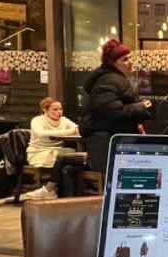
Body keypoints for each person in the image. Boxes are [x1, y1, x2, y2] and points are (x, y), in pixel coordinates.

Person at [79, 40, 152, 175]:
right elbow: (112, 111)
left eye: (130, 58)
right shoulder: (110, 80)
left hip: (111, 139)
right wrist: (140, 107)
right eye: (125, 59)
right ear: (113, 63)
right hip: (108, 142)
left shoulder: (113, 79)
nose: (130, 62)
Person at [25, 98, 84, 201]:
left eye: (60, 109)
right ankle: (52, 190)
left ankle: (56, 192)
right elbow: (42, 133)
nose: (59, 112)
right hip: (39, 152)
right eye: (55, 109)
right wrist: (69, 131)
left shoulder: (64, 120)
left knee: (70, 157)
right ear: (45, 110)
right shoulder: (37, 120)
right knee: (66, 156)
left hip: (57, 151)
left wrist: (71, 130)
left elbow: (78, 129)